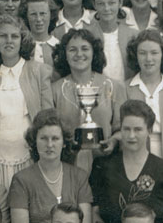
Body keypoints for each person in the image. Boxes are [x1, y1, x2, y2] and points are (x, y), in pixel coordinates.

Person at [9, 110, 92, 223]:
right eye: (43, 138)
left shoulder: (79, 176)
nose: (49, 144)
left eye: (55, 139)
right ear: (34, 142)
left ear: (63, 142)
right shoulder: (21, 180)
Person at [0, 14, 55, 188]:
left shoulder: (40, 72)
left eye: (14, 36)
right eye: (3, 36)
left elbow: (48, 118)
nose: (9, 41)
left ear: (22, 39)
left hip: (29, 155)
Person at [51, 28, 127, 172]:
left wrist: (113, 141)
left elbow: (122, 127)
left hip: (106, 164)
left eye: (85, 48)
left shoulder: (113, 87)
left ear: (94, 52)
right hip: (66, 165)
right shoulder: (55, 90)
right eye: (72, 49)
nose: (79, 54)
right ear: (64, 55)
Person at [125, 29, 163, 163]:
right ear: (135, 56)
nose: (148, 59)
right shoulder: (124, 89)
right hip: (134, 157)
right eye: (142, 53)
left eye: (154, 53)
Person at [92, 0, 136, 82]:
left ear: (120, 3)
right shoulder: (87, 35)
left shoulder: (133, 35)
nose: (106, 8)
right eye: (101, 4)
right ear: (94, 5)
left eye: (111, 3)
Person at [19, 0, 58, 75]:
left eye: (43, 13)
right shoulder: (21, 46)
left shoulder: (58, 46)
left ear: (51, 15)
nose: (39, 19)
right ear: (26, 16)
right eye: (33, 14)